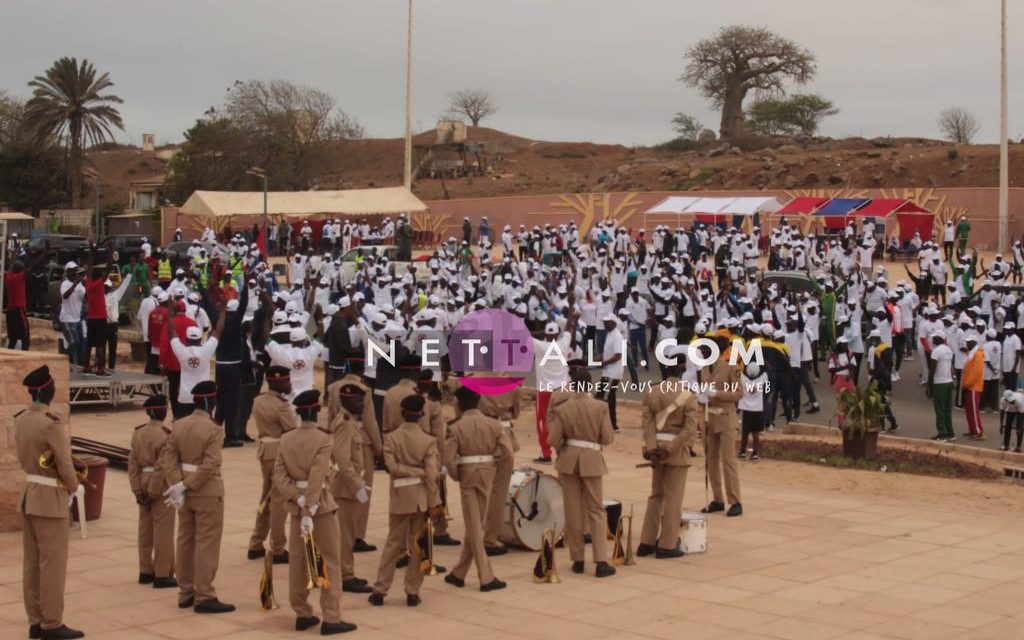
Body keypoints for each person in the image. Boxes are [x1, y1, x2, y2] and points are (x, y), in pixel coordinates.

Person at [272, 389, 357, 635]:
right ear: (316, 410)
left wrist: (297, 500)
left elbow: (279, 477)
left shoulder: (286, 439)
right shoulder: (324, 439)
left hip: (298, 507)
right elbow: (317, 475)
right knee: (330, 561)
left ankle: (302, 613)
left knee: (298, 562)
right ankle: (331, 617)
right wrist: (309, 508)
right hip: (320, 507)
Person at [15, 365, 85, 640]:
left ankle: (35, 621)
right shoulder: (50, 424)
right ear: (47, 391)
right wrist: (74, 486)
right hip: (49, 498)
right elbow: (65, 465)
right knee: (52, 564)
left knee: (32, 563)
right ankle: (52, 623)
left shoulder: (22, 419)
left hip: (30, 493)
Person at [158, 380, 235, 613]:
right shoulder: (214, 430)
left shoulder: (178, 425)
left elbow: (168, 459)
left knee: (185, 540)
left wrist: (178, 485)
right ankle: (204, 594)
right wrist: (186, 485)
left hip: (183, 492)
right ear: (211, 401)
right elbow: (209, 465)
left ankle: (185, 591)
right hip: (206, 491)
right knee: (206, 543)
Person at [368, 394, 442, 607]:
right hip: (421, 498)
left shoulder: (391, 438)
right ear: (421, 414)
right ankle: (412, 591)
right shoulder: (428, 440)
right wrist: (434, 501)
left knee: (393, 544)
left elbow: (391, 467)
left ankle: (380, 590)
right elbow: (431, 474)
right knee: (418, 546)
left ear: (402, 413)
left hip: (400, 495)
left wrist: (410, 472)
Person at [547, 361, 616, 578]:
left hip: (568, 460)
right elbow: (608, 438)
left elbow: (554, 439)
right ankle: (601, 560)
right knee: (595, 510)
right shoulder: (600, 407)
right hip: (592, 459)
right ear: (590, 385)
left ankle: (577, 559)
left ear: (572, 385)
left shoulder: (563, 408)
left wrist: (565, 448)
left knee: (572, 510)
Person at [442, 386, 512, 590]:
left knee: (474, 526)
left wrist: (457, 475)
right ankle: (458, 573)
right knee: (476, 523)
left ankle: (486, 577)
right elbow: (507, 452)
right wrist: (496, 468)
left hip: (468, 474)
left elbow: (449, 459)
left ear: (459, 404)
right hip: (487, 473)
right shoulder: (493, 424)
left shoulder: (455, 427)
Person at [637, 350, 699, 558]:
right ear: (681, 370)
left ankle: (646, 542)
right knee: (673, 500)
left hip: (656, 451)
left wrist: (652, 448)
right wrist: (670, 449)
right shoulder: (688, 395)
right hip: (675, 451)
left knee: (656, 496)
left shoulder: (652, 392)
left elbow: (647, 425)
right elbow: (689, 429)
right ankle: (667, 544)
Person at [246, 366, 296, 563]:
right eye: (286, 381)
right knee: (278, 503)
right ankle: (277, 548)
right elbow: (292, 432)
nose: (289, 384)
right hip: (278, 454)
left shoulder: (258, 400)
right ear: (278, 383)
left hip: (265, 453)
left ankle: (256, 543)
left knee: (266, 499)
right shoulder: (281, 406)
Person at [328, 384, 375, 594]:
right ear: (347, 401)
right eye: (358, 401)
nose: (362, 405)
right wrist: (356, 485)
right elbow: (341, 458)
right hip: (345, 487)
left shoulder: (349, 421)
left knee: (347, 531)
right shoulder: (346, 424)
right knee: (346, 534)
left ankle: (345, 572)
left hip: (347, 483)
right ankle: (345, 576)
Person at [127, 394, 178, 590]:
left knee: (145, 530)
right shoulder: (166, 435)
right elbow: (161, 466)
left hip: (142, 480)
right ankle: (162, 574)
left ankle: (145, 571)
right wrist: (153, 491)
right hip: (159, 485)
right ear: (162, 411)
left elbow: (132, 465)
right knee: (163, 530)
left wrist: (137, 490)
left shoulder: (138, 433)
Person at [699, 337, 744, 518]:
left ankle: (735, 500)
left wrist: (717, 394)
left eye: (706, 350)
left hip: (726, 418)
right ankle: (718, 499)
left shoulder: (731, 367)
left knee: (728, 461)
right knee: (711, 460)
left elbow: (739, 393)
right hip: (709, 419)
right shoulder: (704, 369)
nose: (703, 354)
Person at [477, 384, 521, 556]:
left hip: (478, 432)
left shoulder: (471, 380)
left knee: (478, 488)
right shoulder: (511, 385)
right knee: (499, 490)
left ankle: (474, 532)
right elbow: (516, 413)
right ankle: (490, 537)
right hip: (503, 434)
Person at [168, 301, 225, 420]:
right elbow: (218, 332)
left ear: (186, 339)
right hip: (203, 397)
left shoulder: (181, 351)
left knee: (183, 427)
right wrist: (223, 310)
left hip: (185, 398)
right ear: (200, 339)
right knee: (204, 427)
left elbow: (172, 332)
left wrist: (170, 311)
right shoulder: (206, 350)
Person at [925, 332, 956, 442]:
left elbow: (932, 369)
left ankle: (942, 433)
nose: (932, 339)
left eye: (935, 337)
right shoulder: (948, 350)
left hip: (939, 383)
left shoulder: (936, 351)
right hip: (948, 381)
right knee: (947, 409)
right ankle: (950, 433)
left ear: (940, 338)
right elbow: (950, 367)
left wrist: (928, 386)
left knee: (940, 409)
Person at [738, 362, 769, 459]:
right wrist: (763, 362)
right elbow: (767, 370)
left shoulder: (743, 379)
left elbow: (737, 371)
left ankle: (742, 452)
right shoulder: (762, 379)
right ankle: (755, 453)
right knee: (756, 432)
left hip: (746, 409)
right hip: (758, 409)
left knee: (745, 433)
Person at [103, 273, 133, 372]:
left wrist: (129, 275)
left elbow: (124, 286)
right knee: (102, 348)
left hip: (113, 325)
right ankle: (101, 367)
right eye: (104, 286)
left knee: (113, 348)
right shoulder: (100, 297)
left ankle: (111, 368)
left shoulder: (115, 295)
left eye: (107, 286)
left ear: (110, 287)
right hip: (104, 324)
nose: (106, 288)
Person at [58, 262, 86, 367]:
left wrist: (84, 283)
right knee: (74, 341)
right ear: (68, 271)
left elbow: (85, 297)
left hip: (77, 318)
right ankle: (64, 360)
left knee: (81, 342)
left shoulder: (79, 284)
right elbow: (65, 296)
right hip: (67, 318)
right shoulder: (64, 284)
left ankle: (77, 364)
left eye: (76, 270)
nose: (75, 272)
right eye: (73, 270)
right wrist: (75, 284)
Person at [960, 333, 985, 440]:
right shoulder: (972, 353)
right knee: (969, 409)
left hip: (974, 386)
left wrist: (966, 384)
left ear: (974, 343)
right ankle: (972, 429)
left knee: (973, 410)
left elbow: (976, 372)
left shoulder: (977, 354)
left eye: (969, 342)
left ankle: (978, 432)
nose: (967, 344)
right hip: (970, 386)